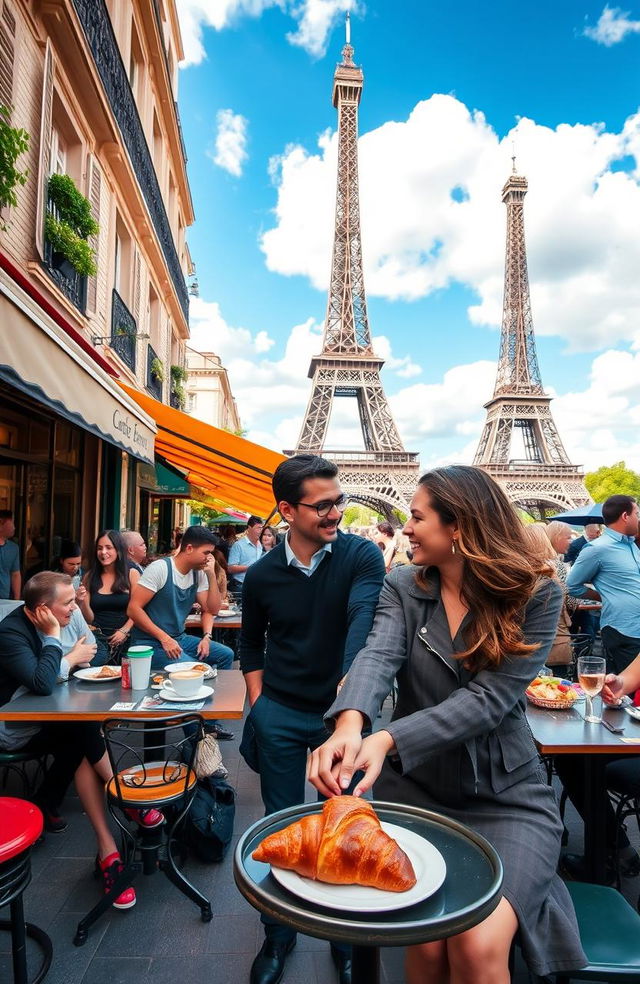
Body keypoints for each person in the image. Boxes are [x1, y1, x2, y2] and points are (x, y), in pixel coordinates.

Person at [307, 465, 586, 984]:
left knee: (478, 945)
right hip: (418, 789)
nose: (405, 527)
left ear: (458, 526)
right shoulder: (402, 585)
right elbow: (377, 654)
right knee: (429, 942)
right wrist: (349, 724)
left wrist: (387, 737)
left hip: (506, 798)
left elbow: (489, 700)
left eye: (416, 517)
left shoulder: (536, 593)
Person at [240, 454, 385, 984]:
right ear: (286, 510)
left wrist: (349, 701)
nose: (336, 514)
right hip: (279, 707)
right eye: (323, 506)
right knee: (279, 825)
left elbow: (362, 619)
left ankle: (346, 937)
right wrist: (258, 706)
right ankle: (277, 935)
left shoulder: (362, 556)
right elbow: (250, 643)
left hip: (339, 717)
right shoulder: (260, 575)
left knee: (345, 822)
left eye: (338, 501)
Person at [0, 572, 165, 910]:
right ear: (42, 611)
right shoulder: (11, 633)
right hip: (14, 725)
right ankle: (126, 796)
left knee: (83, 732)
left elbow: (98, 652)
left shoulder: (70, 616)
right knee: (84, 728)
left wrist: (74, 657)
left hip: (58, 717)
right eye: (68, 604)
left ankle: (108, 849)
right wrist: (62, 648)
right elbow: (42, 681)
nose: (75, 609)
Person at [127, 525, 234, 735]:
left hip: (179, 638)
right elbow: (133, 609)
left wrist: (206, 636)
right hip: (149, 643)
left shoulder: (199, 573)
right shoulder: (160, 569)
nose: (209, 557)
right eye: (206, 553)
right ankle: (194, 740)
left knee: (225, 655)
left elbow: (211, 609)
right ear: (189, 548)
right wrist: (164, 638)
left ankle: (208, 723)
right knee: (193, 671)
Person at [566, 494, 640, 675]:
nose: (639, 519)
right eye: (637, 513)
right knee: (625, 692)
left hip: (633, 628)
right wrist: (602, 596)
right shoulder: (597, 549)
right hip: (623, 630)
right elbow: (572, 585)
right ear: (625, 516)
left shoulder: (632, 546)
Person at [79, 531, 136, 665]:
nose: (103, 552)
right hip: (98, 638)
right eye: (99, 548)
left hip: (127, 637)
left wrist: (124, 631)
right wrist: (81, 601)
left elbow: (139, 608)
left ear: (118, 549)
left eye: (108, 547)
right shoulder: (89, 577)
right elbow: (89, 619)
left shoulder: (131, 574)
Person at [228, 516, 263, 592]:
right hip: (241, 586)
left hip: (258, 585)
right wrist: (252, 567)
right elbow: (230, 568)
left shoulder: (261, 545)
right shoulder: (238, 545)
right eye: (258, 528)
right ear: (249, 528)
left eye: (261, 528)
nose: (260, 530)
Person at [0, 509, 20, 600]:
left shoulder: (13, 548)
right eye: (12, 523)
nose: (14, 528)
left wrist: (16, 599)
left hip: (4, 597)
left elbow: (15, 574)